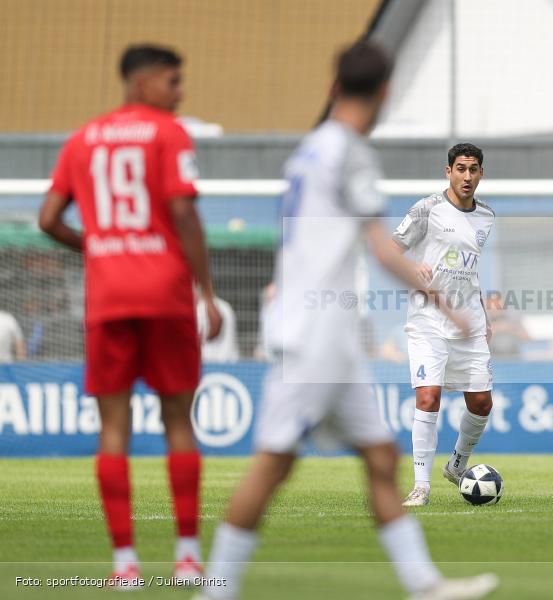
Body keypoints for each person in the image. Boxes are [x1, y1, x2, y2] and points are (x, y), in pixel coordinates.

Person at [197, 42, 498, 600]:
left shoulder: (308, 151)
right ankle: (216, 590)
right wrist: (446, 302)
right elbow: (383, 248)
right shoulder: (351, 153)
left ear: (335, 85)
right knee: (273, 466)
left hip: (321, 332)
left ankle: (424, 583)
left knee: (380, 458)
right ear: (384, 93)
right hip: (315, 336)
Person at [39, 44, 222, 588]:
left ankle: (125, 566)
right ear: (142, 84)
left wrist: (96, 245)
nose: (179, 92)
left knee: (113, 429)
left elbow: (48, 219)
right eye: (173, 81)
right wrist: (206, 292)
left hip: (110, 295)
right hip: (165, 295)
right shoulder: (168, 134)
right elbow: (184, 211)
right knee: (177, 422)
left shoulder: (81, 139)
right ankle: (188, 558)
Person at [392, 143, 495, 507]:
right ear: (448, 171)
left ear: (481, 173)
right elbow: (390, 250)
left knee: (481, 403)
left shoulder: (486, 217)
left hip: (467, 321)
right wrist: (412, 268)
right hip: (427, 320)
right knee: (428, 396)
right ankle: (421, 486)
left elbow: (469, 272)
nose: (467, 176)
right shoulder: (427, 209)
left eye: (474, 170)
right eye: (460, 169)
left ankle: (457, 466)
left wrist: (482, 315)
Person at [484, 291, 529, 359]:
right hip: (492, 360)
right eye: (492, 304)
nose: (496, 307)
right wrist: (496, 328)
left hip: (514, 358)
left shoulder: (513, 318)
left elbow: (527, 338)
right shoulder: (483, 320)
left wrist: (509, 328)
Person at [197, 293, 240, 362]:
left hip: (210, 362)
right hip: (230, 358)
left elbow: (215, 326)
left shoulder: (201, 308)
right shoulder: (226, 306)